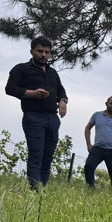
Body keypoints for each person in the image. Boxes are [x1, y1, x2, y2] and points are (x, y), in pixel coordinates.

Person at [5, 36, 68, 190]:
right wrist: (31, 93)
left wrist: (63, 101)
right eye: (40, 51)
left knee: (48, 156)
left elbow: (60, 89)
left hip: (52, 118)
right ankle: (35, 189)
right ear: (32, 51)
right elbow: (10, 89)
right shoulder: (21, 69)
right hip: (33, 117)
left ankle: (42, 188)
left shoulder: (53, 73)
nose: (43, 55)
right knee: (36, 155)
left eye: (47, 52)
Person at [84, 96, 112, 191]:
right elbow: (87, 128)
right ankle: (90, 189)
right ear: (106, 103)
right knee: (88, 166)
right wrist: (89, 144)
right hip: (98, 148)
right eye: (111, 103)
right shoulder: (97, 115)